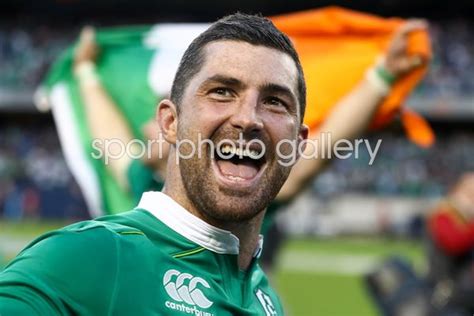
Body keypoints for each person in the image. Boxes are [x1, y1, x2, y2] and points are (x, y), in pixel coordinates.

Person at [0, 13, 308, 315]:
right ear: (171, 122)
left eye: (274, 102)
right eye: (221, 92)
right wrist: (85, 72)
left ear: (297, 145)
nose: (248, 118)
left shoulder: (264, 298)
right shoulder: (91, 255)